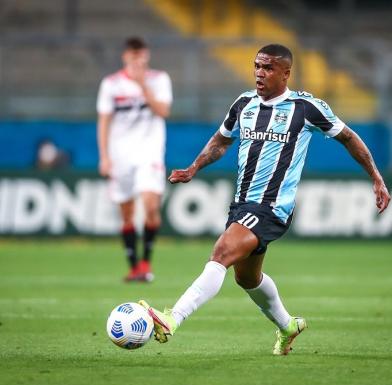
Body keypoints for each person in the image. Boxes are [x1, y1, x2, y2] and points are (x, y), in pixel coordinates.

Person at [139, 44, 390, 355]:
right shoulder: (243, 103)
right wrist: (194, 167)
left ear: (285, 73)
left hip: (273, 207)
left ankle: (171, 319)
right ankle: (287, 325)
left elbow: (348, 137)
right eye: (257, 66)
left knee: (221, 253)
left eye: (268, 68)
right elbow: (221, 140)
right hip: (242, 204)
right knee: (247, 278)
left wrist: (376, 177)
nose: (260, 72)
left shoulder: (306, 108)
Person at [97, 37, 172, 282]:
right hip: (121, 156)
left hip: (149, 153)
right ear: (125, 56)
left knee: (151, 207)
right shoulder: (111, 84)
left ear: (146, 55)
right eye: (132, 54)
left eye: (140, 54)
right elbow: (104, 121)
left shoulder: (159, 79)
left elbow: (163, 112)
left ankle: (145, 263)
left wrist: (142, 85)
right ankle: (133, 267)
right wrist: (105, 157)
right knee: (127, 213)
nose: (136, 58)